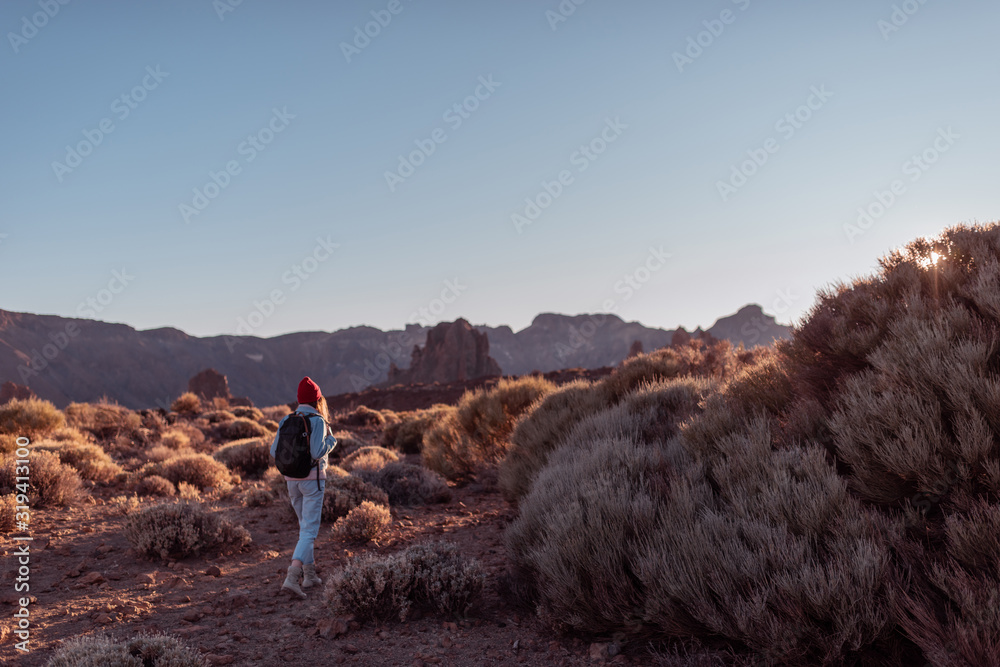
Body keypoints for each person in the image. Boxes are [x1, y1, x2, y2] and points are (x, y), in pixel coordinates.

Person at [269, 376, 338, 599]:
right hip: (312, 480)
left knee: (304, 529)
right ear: (318, 399)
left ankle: (309, 576)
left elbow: (273, 452)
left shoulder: (286, 419)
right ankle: (292, 577)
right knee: (309, 531)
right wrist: (332, 441)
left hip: (291, 481)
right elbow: (318, 452)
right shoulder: (318, 420)